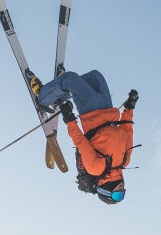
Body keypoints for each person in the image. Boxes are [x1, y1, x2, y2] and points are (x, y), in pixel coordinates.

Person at [35, 70, 137, 204]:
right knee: (95, 76)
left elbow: (81, 142)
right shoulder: (125, 161)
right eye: (123, 194)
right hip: (109, 111)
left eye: (118, 195)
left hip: (91, 112)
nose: (122, 191)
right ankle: (59, 93)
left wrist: (69, 119)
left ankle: (43, 98)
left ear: (106, 190)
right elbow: (126, 130)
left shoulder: (96, 168)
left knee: (70, 79)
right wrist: (129, 107)